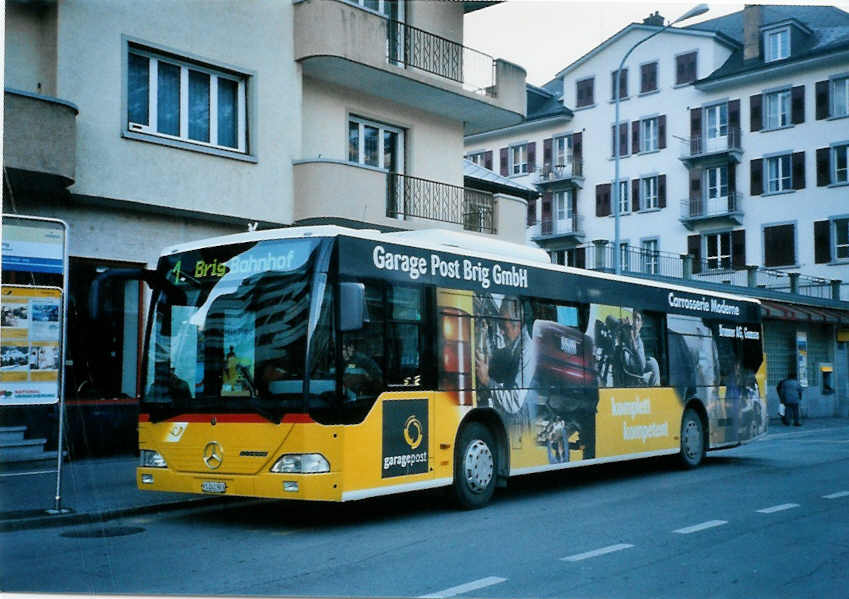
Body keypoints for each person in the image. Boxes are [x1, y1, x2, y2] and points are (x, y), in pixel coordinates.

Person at [475, 297, 537, 428]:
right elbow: (495, 357)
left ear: (517, 324)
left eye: (504, 327)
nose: (501, 332)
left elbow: (514, 401)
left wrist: (486, 381)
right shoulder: (514, 346)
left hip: (520, 427)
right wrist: (484, 333)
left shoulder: (527, 350)